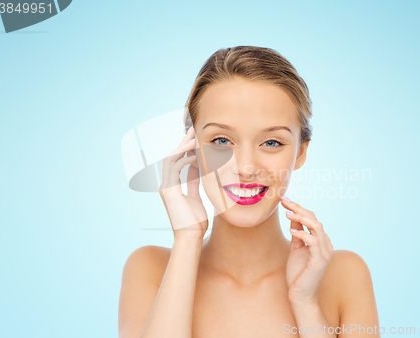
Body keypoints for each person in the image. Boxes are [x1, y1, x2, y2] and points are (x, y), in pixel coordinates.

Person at [118, 46, 380, 338]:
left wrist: (305, 304)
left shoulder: (344, 275)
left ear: (301, 152)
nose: (245, 167)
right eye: (220, 140)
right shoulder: (150, 269)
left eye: (271, 142)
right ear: (192, 149)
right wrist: (187, 239)